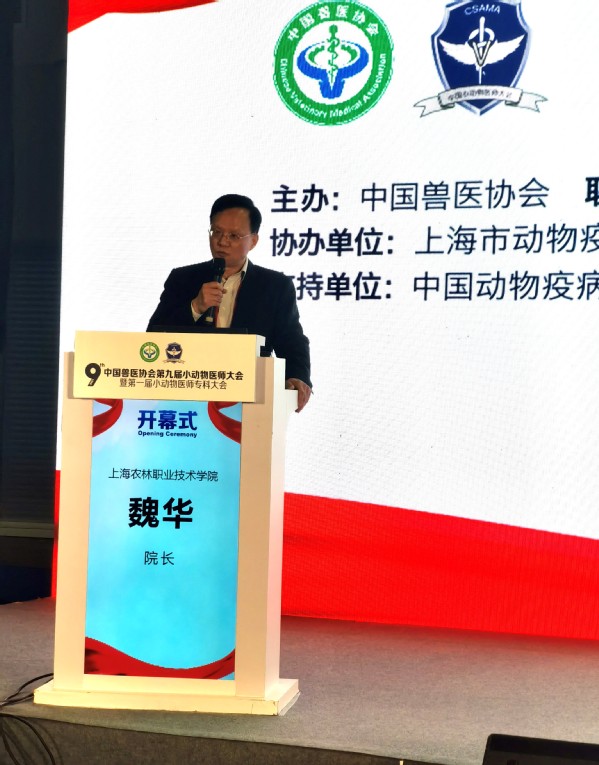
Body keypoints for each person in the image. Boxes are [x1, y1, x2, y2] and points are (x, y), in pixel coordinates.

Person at [147, 194, 312, 412]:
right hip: (187, 397)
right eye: (216, 232)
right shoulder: (182, 278)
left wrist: (298, 377)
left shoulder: (275, 286)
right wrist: (195, 307)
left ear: (253, 241)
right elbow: (153, 337)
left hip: (249, 401)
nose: (222, 242)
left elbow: (292, 340)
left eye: (234, 235)